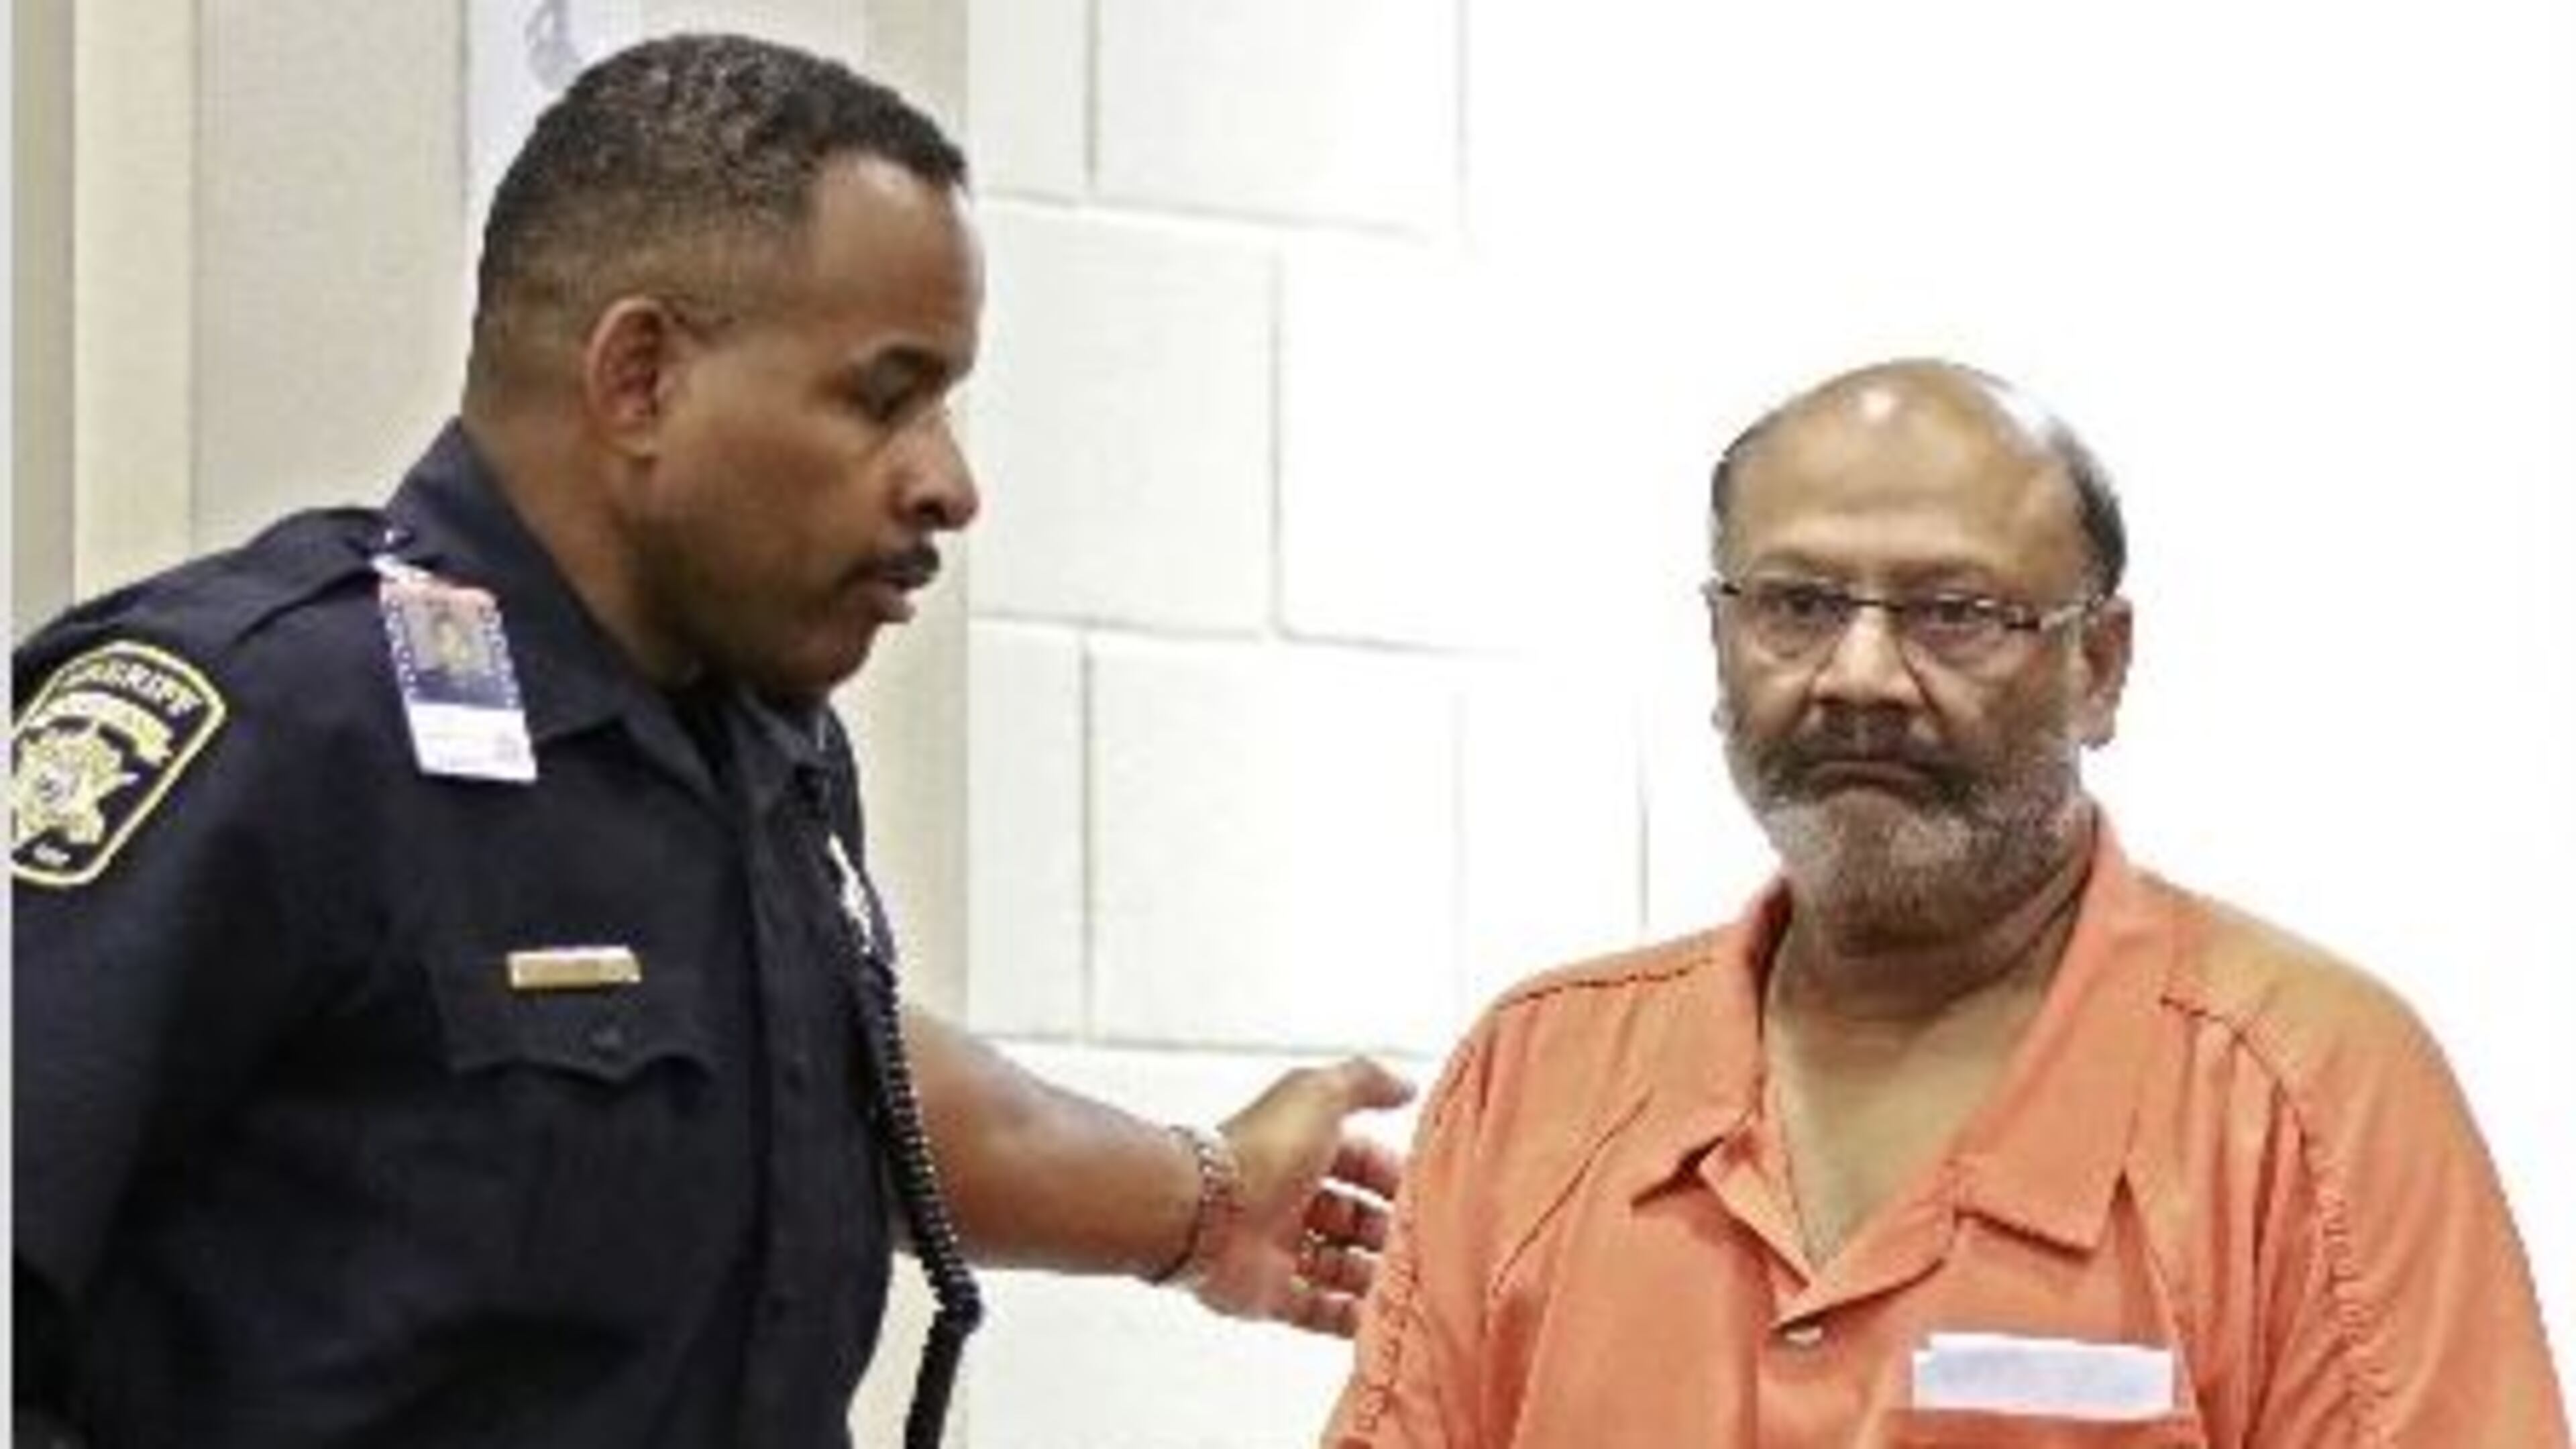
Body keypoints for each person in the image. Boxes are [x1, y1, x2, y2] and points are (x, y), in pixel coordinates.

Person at [11, 34, 1409, 1449]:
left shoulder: (763, 753)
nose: (949, 482)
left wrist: (1202, 1198)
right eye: (884, 397)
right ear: (641, 379)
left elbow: (808, 1069)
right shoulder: (270, 723)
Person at [1325, 359, 2569, 1447]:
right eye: (1798, 605)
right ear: (1719, 643)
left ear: (2100, 667)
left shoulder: (2306, 1093)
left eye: (1956, 615)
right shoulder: (1536, 1080)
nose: (1861, 675)